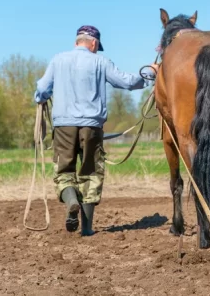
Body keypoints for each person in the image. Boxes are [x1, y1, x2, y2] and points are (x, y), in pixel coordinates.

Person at [34, 25, 158, 236]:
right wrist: (150, 72)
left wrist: (41, 99)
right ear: (94, 43)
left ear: (76, 42)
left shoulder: (57, 60)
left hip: (63, 126)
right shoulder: (101, 62)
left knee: (64, 172)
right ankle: (87, 228)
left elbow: (42, 90)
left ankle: (71, 200)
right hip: (92, 126)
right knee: (91, 173)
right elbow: (128, 82)